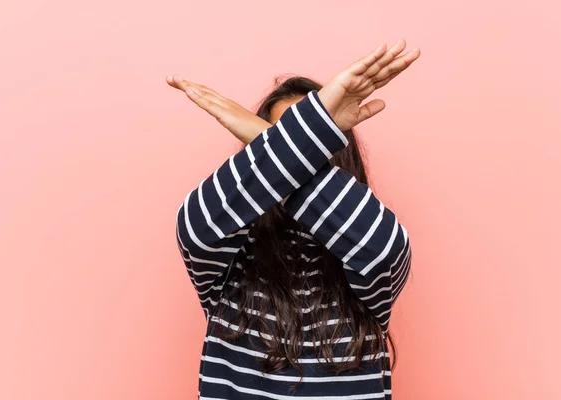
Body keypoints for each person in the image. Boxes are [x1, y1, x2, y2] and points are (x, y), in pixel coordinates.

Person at [168, 39, 420, 399]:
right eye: (277, 140)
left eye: (312, 142)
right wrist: (295, 138)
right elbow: (195, 229)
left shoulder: (366, 274)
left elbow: (383, 249)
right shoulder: (232, 264)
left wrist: (263, 137)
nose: (292, 157)